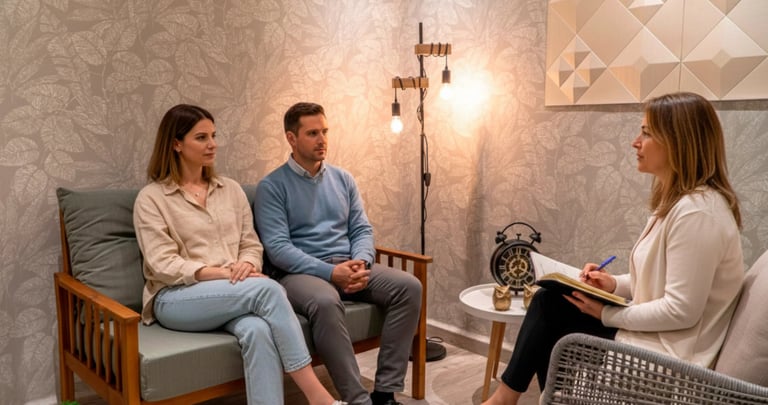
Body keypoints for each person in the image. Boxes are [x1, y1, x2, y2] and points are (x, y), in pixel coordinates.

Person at [482, 92, 745, 405]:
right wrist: (612, 284)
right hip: (656, 338)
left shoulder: (698, 214)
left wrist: (608, 313)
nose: (635, 142)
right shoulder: (680, 204)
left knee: (550, 308)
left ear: (678, 142)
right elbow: (662, 279)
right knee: (552, 301)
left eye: (646, 133)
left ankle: (503, 400)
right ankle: (513, 399)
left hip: (670, 356)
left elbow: (680, 310)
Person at [133, 104, 345, 405]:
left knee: (257, 330)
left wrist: (246, 263)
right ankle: (319, 398)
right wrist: (222, 273)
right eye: (201, 138)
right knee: (269, 289)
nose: (212, 144)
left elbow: (251, 244)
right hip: (177, 297)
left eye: (214, 136)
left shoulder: (230, 190)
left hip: (233, 290)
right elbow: (163, 263)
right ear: (176, 144)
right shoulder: (152, 198)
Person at [252, 102, 423, 405]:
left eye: (325, 131)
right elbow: (278, 249)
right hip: (299, 274)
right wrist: (331, 273)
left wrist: (361, 263)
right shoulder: (272, 186)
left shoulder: (343, 179)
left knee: (409, 286)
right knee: (325, 301)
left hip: (349, 264)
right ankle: (357, 400)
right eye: (312, 133)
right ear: (291, 138)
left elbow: (362, 229)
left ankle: (385, 393)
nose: (322, 140)